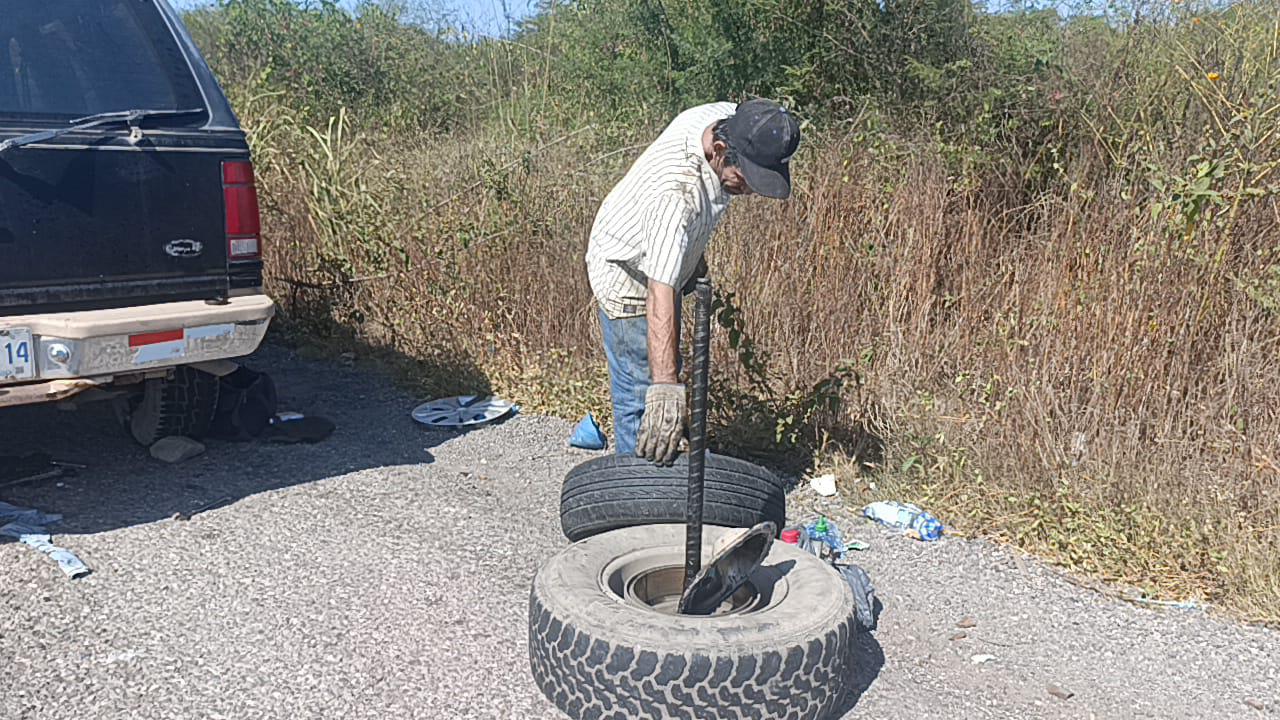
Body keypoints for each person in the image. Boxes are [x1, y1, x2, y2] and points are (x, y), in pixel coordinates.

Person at [585, 98, 801, 465]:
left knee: (665, 373)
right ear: (719, 151)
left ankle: (669, 479)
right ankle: (637, 501)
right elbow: (659, 292)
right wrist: (666, 387)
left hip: (663, 255)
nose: (748, 191)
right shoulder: (676, 196)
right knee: (645, 398)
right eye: (745, 179)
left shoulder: (725, 119)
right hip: (628, 273)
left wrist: (691, 258)